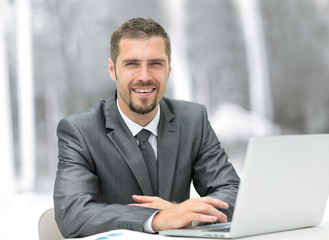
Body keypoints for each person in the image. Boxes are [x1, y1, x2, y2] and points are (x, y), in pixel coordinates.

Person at [54, 17, 240, 238]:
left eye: (155, 63)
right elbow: (72, 214)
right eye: (132, 64)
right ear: (113, 70)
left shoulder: (193, 119)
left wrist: (184, 213)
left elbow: (233, 193)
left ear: (169, 68)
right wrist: (158, 219)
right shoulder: (79, 130)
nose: (144, 76)